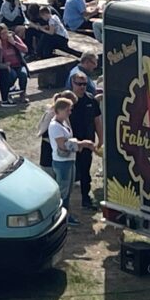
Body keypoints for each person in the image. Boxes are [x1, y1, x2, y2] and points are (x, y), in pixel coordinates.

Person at [48, 96, 94, 225]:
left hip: (69, 161)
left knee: (68, 190)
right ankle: (62, 217)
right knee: (63, 192)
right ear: (59, 110)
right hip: (62, 163)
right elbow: (63, 146)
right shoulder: (54, 126)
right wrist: (83, 144)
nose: (70, 112)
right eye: (67, 110)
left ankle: (65, 214)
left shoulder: (63, 122)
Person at [69, 70, 103, 213]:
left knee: (85, 172)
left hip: (88, 143)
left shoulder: (91, 100)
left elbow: (97, 121)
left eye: (84, 84)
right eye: (79, 84)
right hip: (71, 145)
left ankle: (86, 199)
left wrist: (101, 139)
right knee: (69, 173)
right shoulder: (67, 101)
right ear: (72, 84)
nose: (82, 87)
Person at [0, 24, 30, 100]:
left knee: (23, 74)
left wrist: (14, 43)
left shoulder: (13, 37)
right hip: (7, 66)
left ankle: (23, 94)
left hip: (18, 64)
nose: (5, 35)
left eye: (6, 32)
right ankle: (8, 92)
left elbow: (25, 49)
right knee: (13, 75)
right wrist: (0, 47)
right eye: (2, 34)